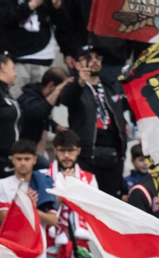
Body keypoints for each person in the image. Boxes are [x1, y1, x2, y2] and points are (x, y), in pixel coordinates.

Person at [61, 45, 127, 196]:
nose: (94, 61)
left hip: (114, 155)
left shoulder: (111, 87)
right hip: (88, 155)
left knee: (111, 203)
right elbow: (66, 100)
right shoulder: (75, 87)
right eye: (88, 58)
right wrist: (79, 83)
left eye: (97, 58)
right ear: (77, 64)